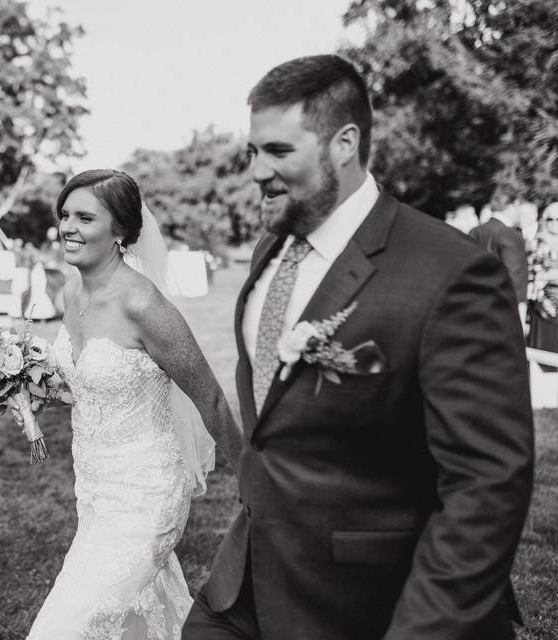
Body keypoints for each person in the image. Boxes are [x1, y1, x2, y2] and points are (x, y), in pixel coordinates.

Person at [183, 54, 535, 640]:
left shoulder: (448, 273)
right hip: (244, 584)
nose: (256, 171)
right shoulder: (273, 248)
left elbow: (488, 484)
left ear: (344, 143)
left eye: (278, 151)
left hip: (365, 602)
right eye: (252, 151)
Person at [18, 169, 243, 639]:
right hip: (95, 490)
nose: (68, 227)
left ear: (121, 230)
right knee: (143, 614)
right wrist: (19, 384)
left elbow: (213, 400)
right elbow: (85, 385)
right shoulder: (72, 291)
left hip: (147, 493)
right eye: (65, 215)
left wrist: (255, 483)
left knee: (65, 628)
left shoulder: (145, 306)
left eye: (85, 217)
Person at [469, 198, 528, 326]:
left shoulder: (475, 231)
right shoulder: (510, 234)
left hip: (474, 303)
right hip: (501, 308)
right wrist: (519, 315)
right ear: (512, 206)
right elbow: (514, 277)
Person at [528, 202, 558, 368]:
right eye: (550, 219)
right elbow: (536, 272)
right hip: (543, 307)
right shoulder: (539, 242)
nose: (554, 223)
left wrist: (550, 275)